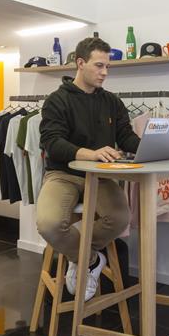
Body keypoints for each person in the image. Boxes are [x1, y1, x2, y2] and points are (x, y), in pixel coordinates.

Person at [37, 36, 140, 301]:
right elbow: (52, 143)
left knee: (120, 218)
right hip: (63, 174)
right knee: (49, 224)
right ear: (80, 63)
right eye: (99, 66)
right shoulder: (57, 100)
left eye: (107, 67)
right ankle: (91, 260)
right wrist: (91, 154)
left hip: (102, 176)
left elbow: (126, 137)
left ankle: (78, 258)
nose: (105, 72)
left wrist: (151, 146)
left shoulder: (112, 102)